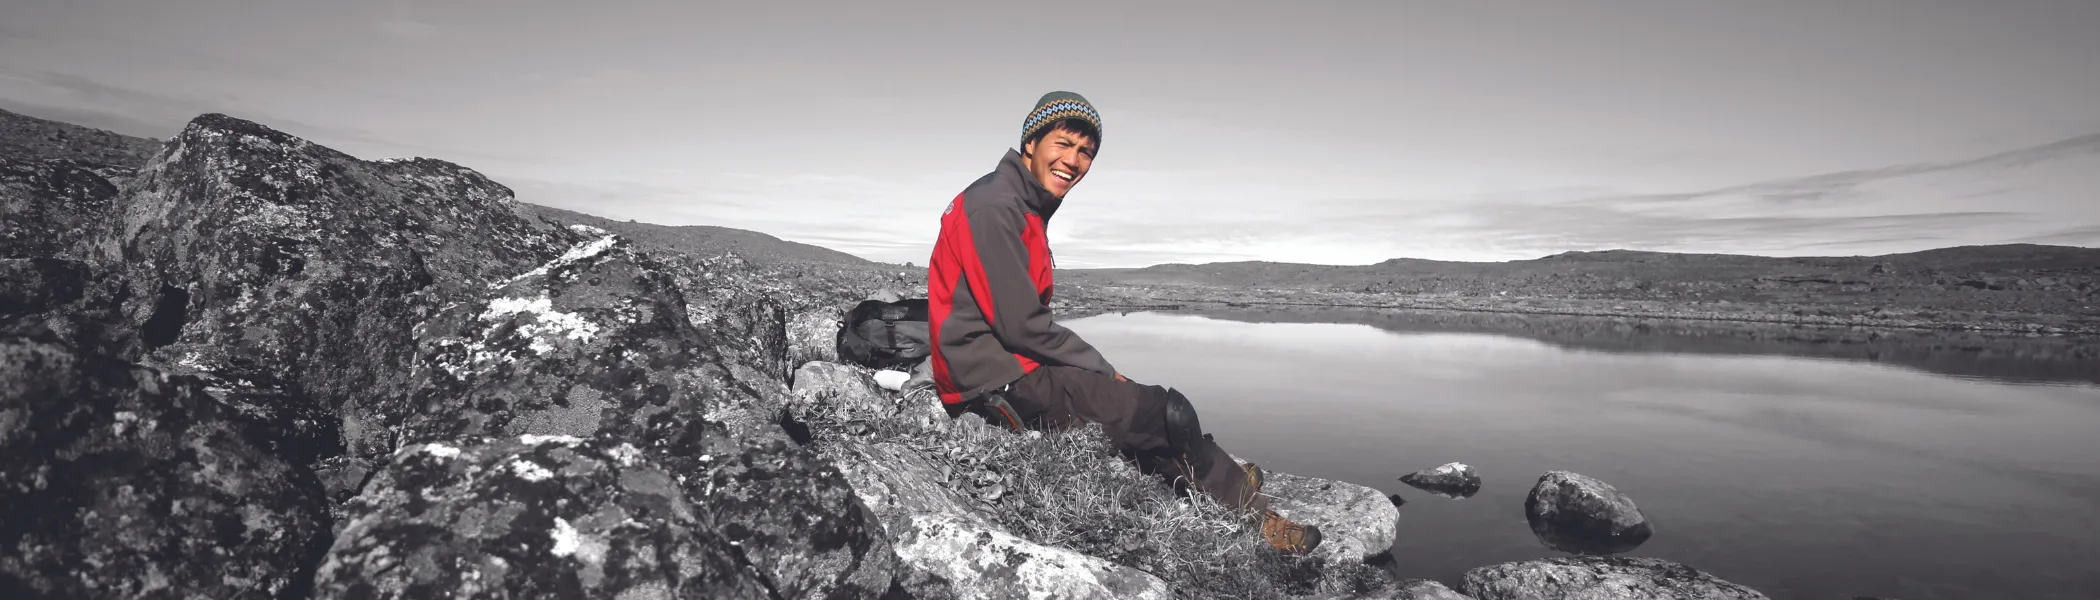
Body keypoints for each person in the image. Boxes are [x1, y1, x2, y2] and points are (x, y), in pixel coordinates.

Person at [924, 91, 1322, 555]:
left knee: (1135, 407)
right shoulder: (997, 207)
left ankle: (1214, 471)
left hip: (998, 368)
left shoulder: (1014, 200)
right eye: (1063, 144)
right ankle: (1253, 517)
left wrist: (1101, 376)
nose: (1073, 161)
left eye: (1085, 152)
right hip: (997, 383)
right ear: (1031, 142)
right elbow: (1022, 326)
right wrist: (1102, 368)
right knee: (1163, 411)